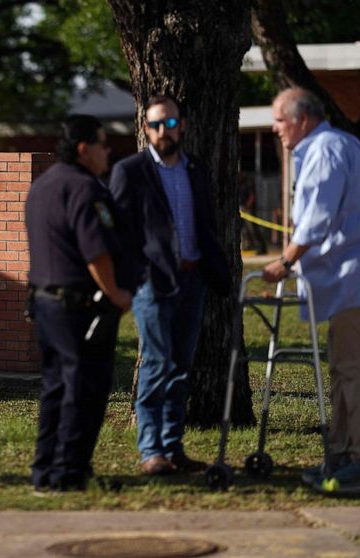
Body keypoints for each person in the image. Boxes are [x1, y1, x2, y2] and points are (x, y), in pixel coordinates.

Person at [263, 87, 360, 494]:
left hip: (357, 275)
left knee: (358, 370)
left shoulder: (325, 149)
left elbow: (317, 217)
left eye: (279, 119)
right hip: (351, 276)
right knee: (345, 368)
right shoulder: (332, 145)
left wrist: (287, 260)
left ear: (302, 119)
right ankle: (344, 454)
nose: (274, 128)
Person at [108, 95, 231, 476]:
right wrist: (138, 272)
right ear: (146, 128)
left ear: (183, 126)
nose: (165, 131)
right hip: (153, 284)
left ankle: (173, 448)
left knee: (181, 367)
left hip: (193, 280)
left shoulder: (195, 169)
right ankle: (152, 452)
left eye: (171, 124)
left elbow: (206, 224)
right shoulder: (130, 171)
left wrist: (216, 270)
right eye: (157, 124)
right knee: (157, 365)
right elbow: (117, 232)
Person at [26, 114, 138, 492]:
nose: (108, 152)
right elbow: (97, 253)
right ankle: (67, 475)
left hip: (44, 302)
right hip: (78, 307)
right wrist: (116, 293)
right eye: (104, 144)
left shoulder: (42, 186)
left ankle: (45, 470)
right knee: (83, 391)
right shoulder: (85, 189)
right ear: (83, 148)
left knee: (56, 388)